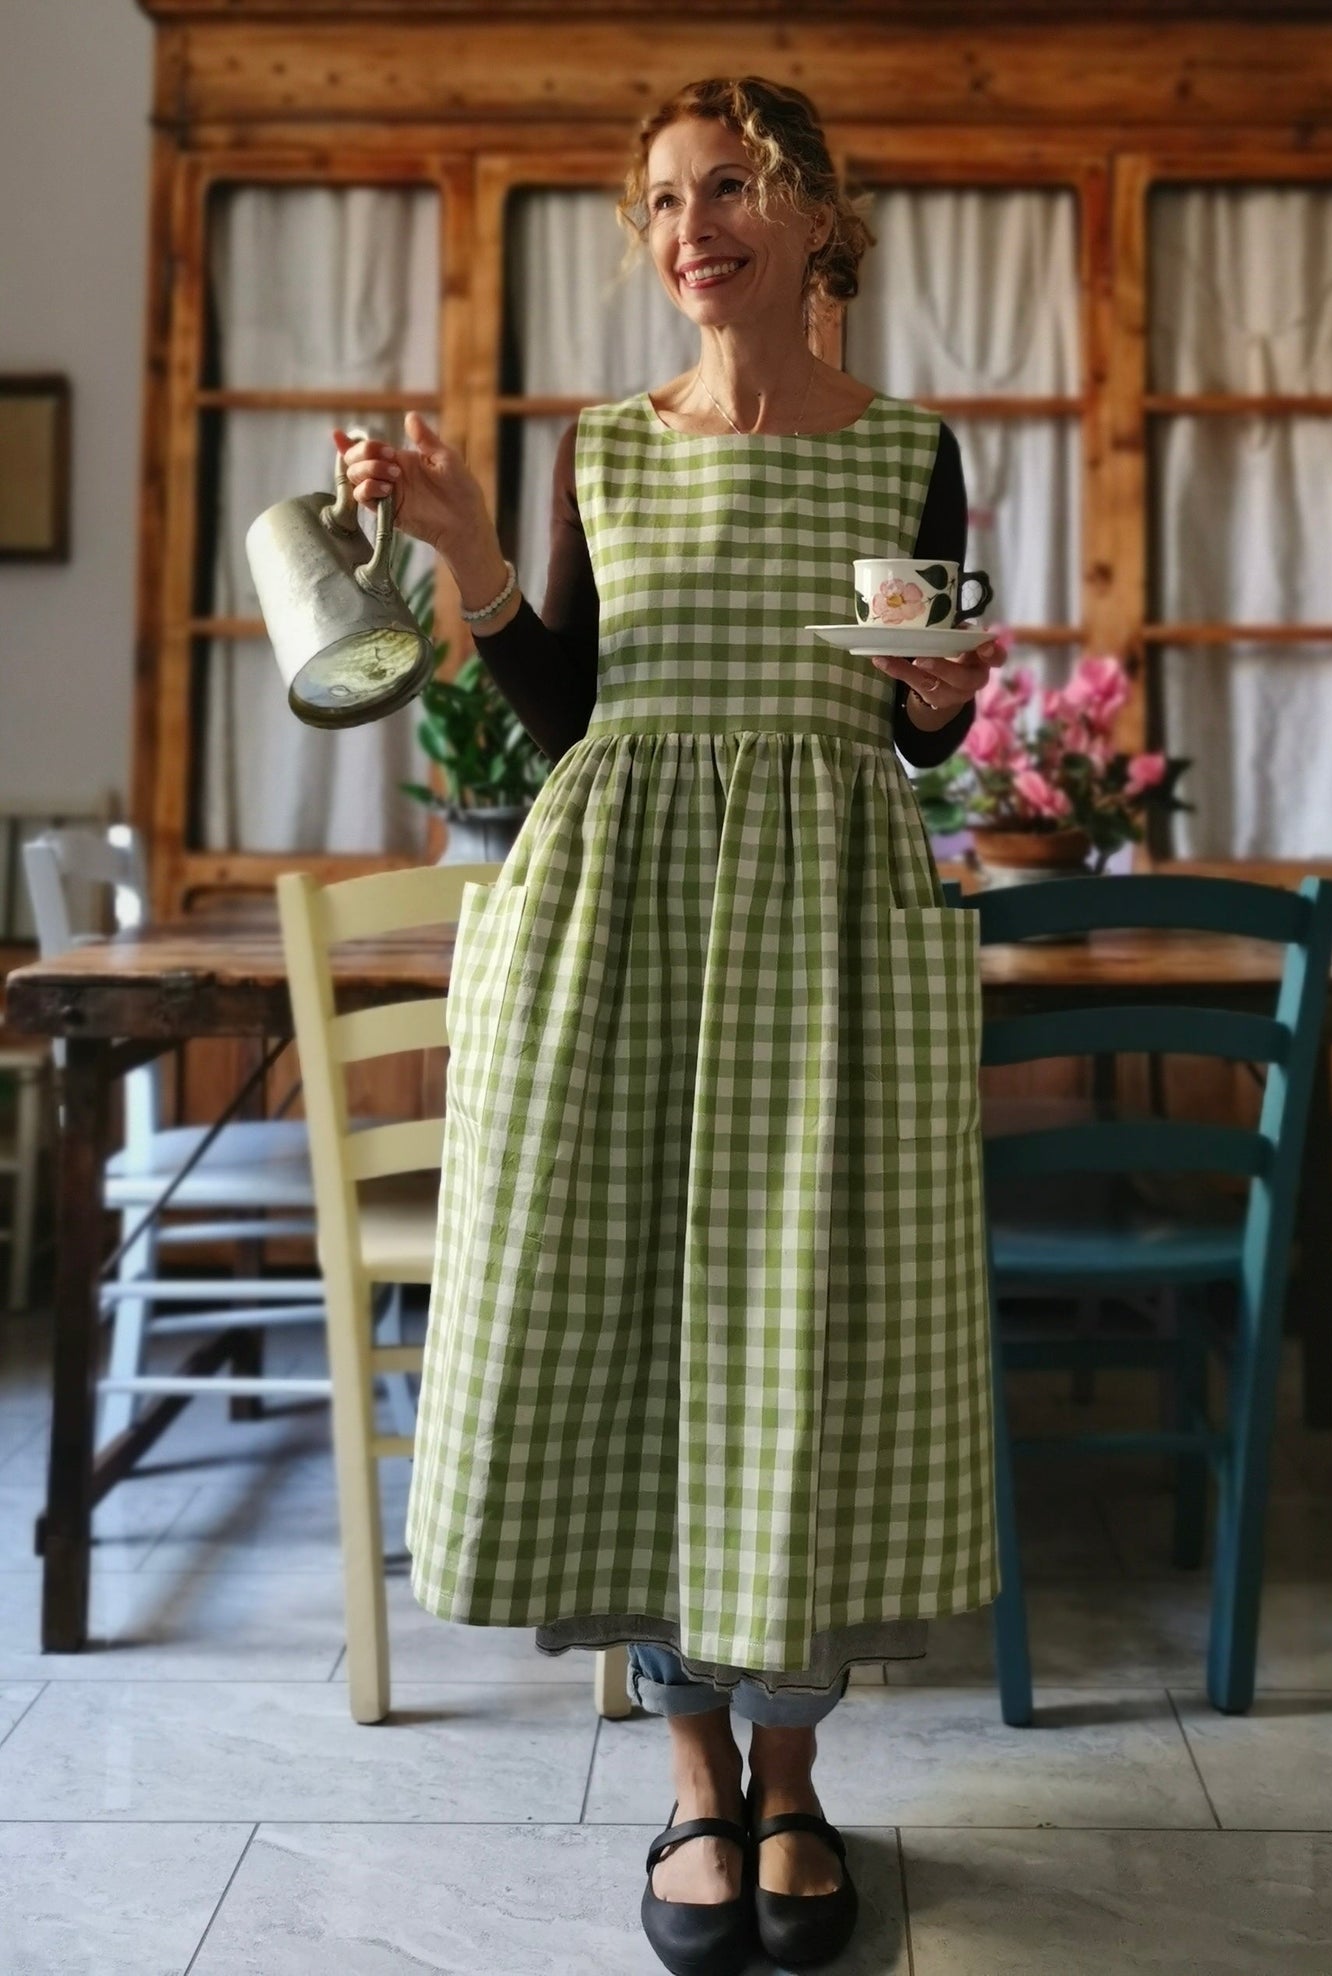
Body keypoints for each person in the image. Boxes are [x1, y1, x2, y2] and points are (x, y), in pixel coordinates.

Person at [334, 72, 1005, 1976]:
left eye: (728, 187)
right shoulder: (603, 450)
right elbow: (564, 709)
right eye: (660, 199)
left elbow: (914, 720)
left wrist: (952, 697)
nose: (689, 223)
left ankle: (796, 1785)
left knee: (810, 1340)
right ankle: (695, 1780)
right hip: (611, 929)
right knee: (633, 1326)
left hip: (830, 946)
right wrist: (464, 539)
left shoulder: (908, 450)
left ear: (811, 221)